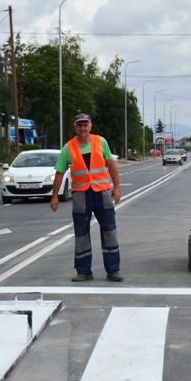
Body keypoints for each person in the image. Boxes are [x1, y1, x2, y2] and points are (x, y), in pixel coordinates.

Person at [51, 113, 123, 282]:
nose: (82, 128)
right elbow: (60, 172)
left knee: (109, 231)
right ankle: (83, 271)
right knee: (81, 233)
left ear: (90, 126)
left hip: (103, 193)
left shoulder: (101, 142)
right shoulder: (68, 147)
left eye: (85, 125)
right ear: (75, 127)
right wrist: (54, 196)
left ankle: (113, 270)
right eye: (79, 125)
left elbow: (111, 164)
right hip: (81, 195)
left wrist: (117, 187)